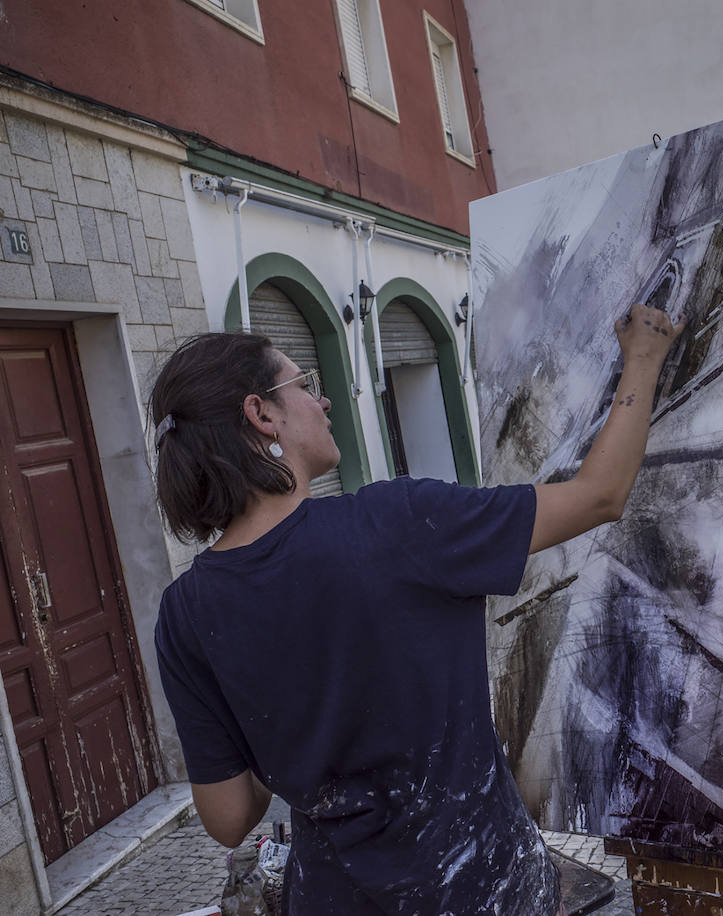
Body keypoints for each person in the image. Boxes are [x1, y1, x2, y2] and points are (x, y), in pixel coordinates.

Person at [150, 303, 684, 915]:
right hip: (480, 890)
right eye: (305, 386)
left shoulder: (184, 612)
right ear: (261, 413)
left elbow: (228, 817)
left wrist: (294, 731)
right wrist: (643, 361)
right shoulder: (395, 523)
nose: (323, 403)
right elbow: (599, 496)